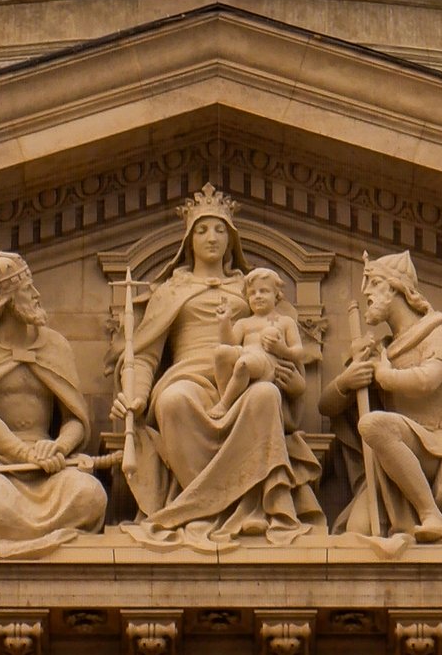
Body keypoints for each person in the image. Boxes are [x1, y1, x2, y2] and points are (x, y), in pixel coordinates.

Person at [118, 192, 307, 544]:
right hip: (187, 375)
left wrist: (291, 378)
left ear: (231, 238)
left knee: (265, 395)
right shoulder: (171, 290)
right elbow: (144, 355)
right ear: (189, 241)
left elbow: (286, 344)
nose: (211, 237)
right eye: (202, 230)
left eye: (220, 230)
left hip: (243, 374)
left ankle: (252, 506)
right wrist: (136, 398)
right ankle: (202, 506)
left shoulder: (251, 287)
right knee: (174, 401)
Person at [326, 253, 442, 545]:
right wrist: (346, 380)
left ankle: (430, 513)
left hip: (438, 448)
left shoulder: (441, 330)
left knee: (373, 425)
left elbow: (428, 380)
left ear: (395, 287)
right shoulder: (382, 348)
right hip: (394, 454)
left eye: (373, 283)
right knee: (355, 533)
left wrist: (383, 375)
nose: (365, 292)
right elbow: (325, 407)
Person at [0, 254, 109, 553]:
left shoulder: (55, 344)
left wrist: (59, 447)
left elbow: (75, 420)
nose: (38, 295)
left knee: (90, 495)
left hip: (50, 465)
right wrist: (25, 453)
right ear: (4, 300)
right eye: (28, 290)